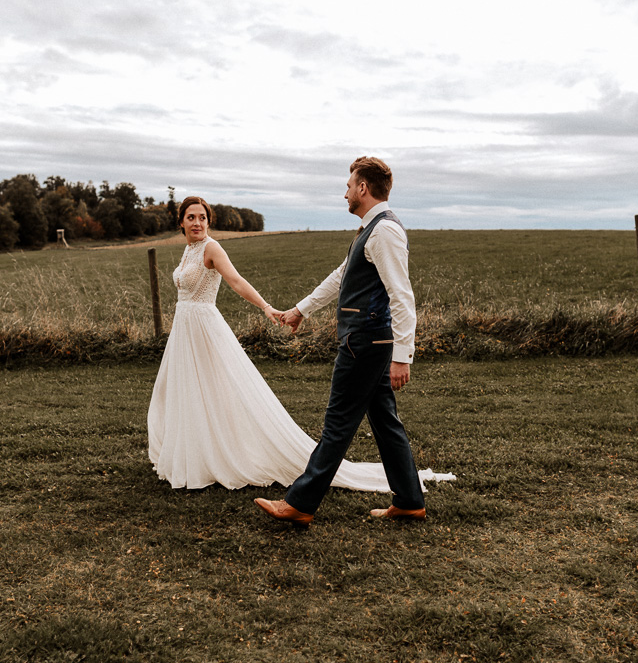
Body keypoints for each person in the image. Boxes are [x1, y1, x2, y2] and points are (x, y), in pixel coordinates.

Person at [147, 196, 448, 492]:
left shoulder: (212, 248)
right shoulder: (188, 251)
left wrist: (266, 306)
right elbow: (339, 276)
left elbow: (236, 281)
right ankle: (195, 450)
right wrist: (301, 309)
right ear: (181, 223)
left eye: (202, 217)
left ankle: (308, 492)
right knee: (185, 388)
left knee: (221, 388)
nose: (198, 223)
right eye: (191, 218)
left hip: (205, 327)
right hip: (184, 328)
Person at [255, 157, 452, 528]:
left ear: (363, 188)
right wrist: (301, 310)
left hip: (366, 344)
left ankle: (300, 503)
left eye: (349, 185)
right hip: (367, 342)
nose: (345, 191)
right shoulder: (370, 230)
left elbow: (402, 296)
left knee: (338, 423)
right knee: (384, 420)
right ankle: (409, 501)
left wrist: (402, 356)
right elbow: (340, 277)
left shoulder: (384, 232)